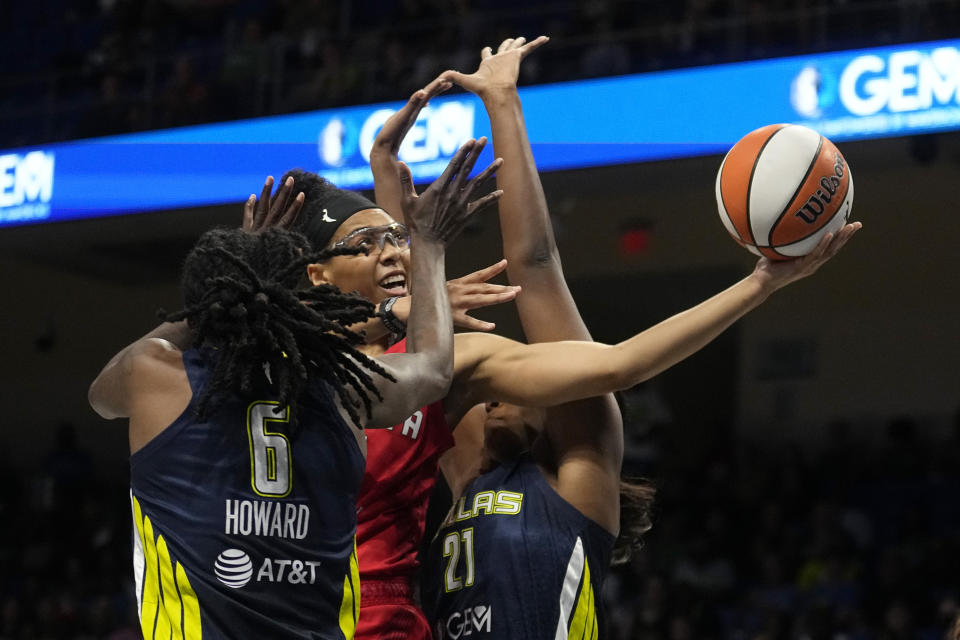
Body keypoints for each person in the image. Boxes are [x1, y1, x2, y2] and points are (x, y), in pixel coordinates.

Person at [362, 37, 861, 639]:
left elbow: (537, 264)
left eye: (514, 375)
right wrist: (389, 188)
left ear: (555, 395)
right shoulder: (467, 470)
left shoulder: (579, 470)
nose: (490, 389)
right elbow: (424, 344)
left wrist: (504, 102)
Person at [87, 139, 502, 639]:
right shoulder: (340, 384)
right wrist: (430, 245)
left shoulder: (154, 373)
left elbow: (100, 395)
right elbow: (434, 370)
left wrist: (227, 285)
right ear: (297, 290)